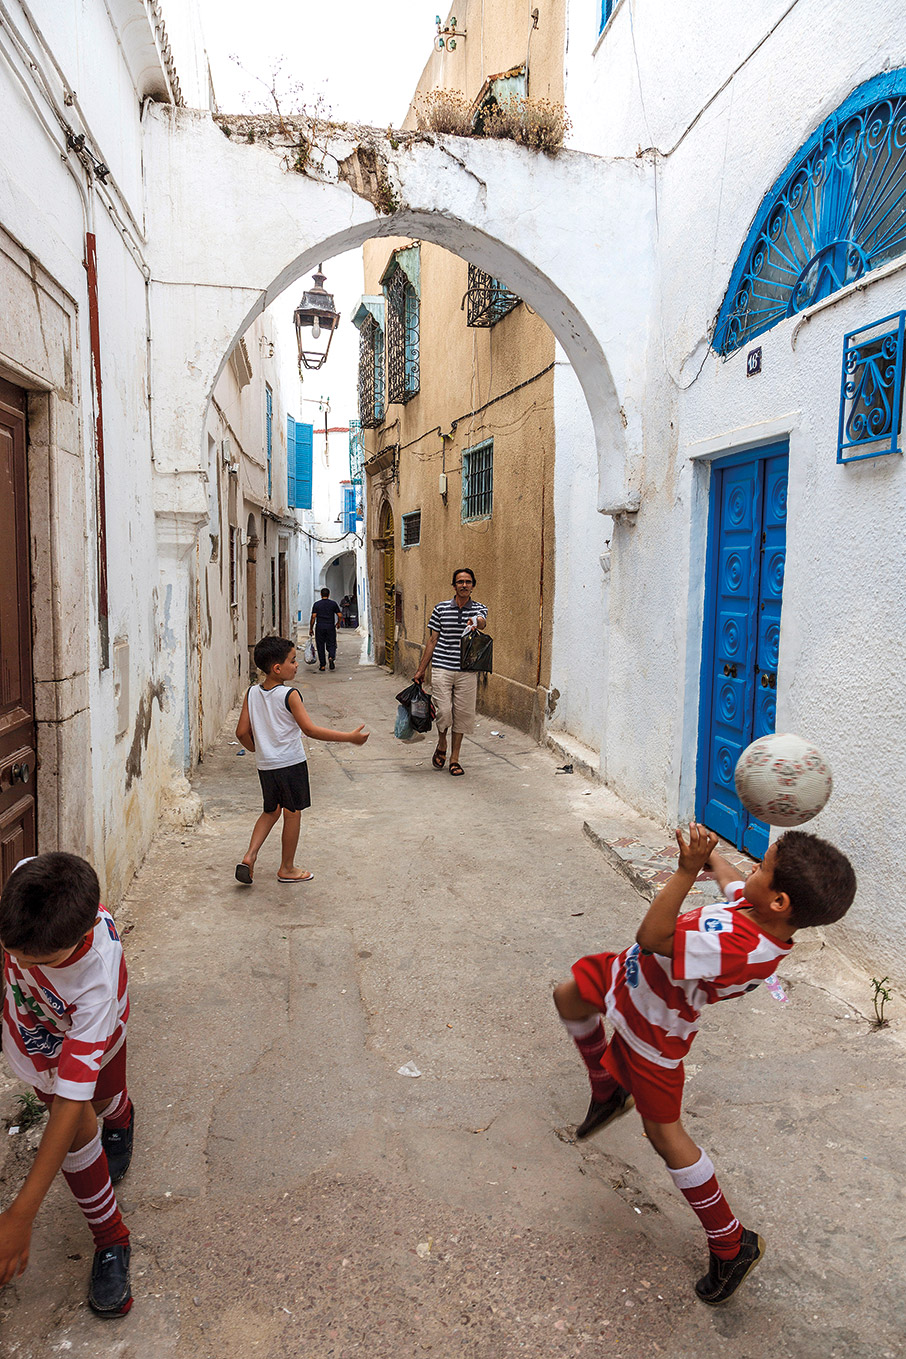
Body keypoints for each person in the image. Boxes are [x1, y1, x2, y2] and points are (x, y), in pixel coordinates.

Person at [553, 824, 856, 1306]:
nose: (750, 871)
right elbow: (732, 881)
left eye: (763, 866)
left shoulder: (741, 948)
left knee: (664, 1136)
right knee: (568, 994)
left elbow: (652, 936)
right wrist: (711, 854)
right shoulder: (759, 908)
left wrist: (686, 868)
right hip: (630, 979)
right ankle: (607, 1086)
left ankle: (731, 1242)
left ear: (779, 901)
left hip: (655, 1032)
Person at [0, 853, 135, 1319]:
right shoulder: (28, 880)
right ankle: (111, 1234)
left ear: (78, 940)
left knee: (93, 1100)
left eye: (38, 961)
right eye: (12, 953)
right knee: (79, 1131)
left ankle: (120, 1113)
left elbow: (67, 1102)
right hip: (36, 1040)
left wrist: (22, 1213)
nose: (18, 963)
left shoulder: (94, 982)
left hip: (97, 1036)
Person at [235, 635, 369, 885]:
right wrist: (349, 737)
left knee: (270, 811)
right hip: (290, 764)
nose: (297, 665)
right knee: (292, 813)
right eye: (293, 661)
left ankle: (249, 856)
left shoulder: (251, 693)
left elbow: (241, 732)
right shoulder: (290, 695)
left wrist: (258, 750)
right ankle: (287, 868)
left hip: (266, 766)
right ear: (277, 668)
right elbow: (310, 730)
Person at [413, 568, 488, 777]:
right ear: (454, 585)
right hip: (442, 667)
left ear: (473, 585)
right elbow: (432, 640)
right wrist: (421, 670)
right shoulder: (441, 609)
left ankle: (454, 758)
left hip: (467, 670)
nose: (464, 585)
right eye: (460, 582)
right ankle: (442, 741)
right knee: (444, 712)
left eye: (468, 582)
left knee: (462, 715)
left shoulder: (479, 608)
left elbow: (483, 621)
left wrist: (475, 622)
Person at [309, 588, 342, 671]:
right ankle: (331, 656)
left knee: (320, 646)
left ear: (321, 594)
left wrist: (311, 628)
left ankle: (322, 665)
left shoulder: (317, 604)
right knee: (331, 644)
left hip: (320, 626)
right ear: (329, 594)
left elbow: (313, 617)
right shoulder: (333, 604)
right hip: (330, 626)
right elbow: (340, 615)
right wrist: (338, 623)